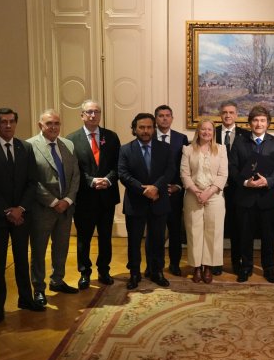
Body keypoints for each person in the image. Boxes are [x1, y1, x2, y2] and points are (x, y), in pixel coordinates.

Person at [0, 108, 42, 323]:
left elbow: (32, 182)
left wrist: (20, 209)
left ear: (16, 123)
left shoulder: (26, 147)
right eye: (3, 122)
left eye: (11, 121)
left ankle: (25, 298)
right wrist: (7, 211)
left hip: (22, 216)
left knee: (22, 259)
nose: (8, 125)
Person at [228, 105, 274, 283]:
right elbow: (232, 168)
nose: (258, 123)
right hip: (245, 198)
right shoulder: (239, 141)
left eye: (262, 120)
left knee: (268, 237)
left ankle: (269, 268)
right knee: (244, 236)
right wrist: (246, 182)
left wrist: (268, 181)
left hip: (267, 198)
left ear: (268, 123)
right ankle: (245, 267)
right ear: (250, 123)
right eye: (255, 120)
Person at [27, 109, 81, 306]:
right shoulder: (30, 146)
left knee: (61, 246)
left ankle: (57, 280)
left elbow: (76, 175)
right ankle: (38, 288)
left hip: (66, 208)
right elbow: (32, 180)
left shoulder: (68, 144)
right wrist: (52, 201)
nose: (53, 127)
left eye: (57, 123)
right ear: (40, 125)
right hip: (42, 209)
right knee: (39, 250)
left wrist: (67, 200)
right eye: (49, 123)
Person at [119, 112, 175, 290]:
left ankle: (156, 271)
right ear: (134, 129)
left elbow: (170, 171)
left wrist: (156, 188)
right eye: (141, 127)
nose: (145, 131)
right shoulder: (126, 149)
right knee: (134, 241)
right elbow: (123, 174)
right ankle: (134, 273)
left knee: (158, 240)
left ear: (154, 128)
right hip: (136, 202)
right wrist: (144, 190)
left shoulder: (165, 148)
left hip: (159, 201)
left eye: (149, 127)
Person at [68, 99, 120, 289]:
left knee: (106, 237)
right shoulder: (71, 140)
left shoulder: (112, 137)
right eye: (89, 112)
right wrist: (90, 181)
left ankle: (104, 270)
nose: (93, 115)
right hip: (84, 198)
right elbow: (73, 170)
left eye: (96, 111)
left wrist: (107, 179)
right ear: (82, 115)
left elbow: (118, 165)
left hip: (107, 197)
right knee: (84, 238)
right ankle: (85, 272)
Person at [181, 119, 228, 282]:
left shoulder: (221, 149)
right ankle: (197, 267)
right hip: (193, 196)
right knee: (194, 232)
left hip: (214, 196)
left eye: (210, 130)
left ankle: (208, 266)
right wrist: (196, 192)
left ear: (213, 133)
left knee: (213, 232)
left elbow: (223, 175)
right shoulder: (188, 149)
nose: (206, 132)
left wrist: (208, 193)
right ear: (198, 131)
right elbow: (185, 175)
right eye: (203, 129)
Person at [215, 101, 250, 275]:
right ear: (220, 115)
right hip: (215, 189)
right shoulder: (211, 133)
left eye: (231, 112)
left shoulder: (246, 135)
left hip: (239, 189)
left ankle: (237, 262)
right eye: (224, 112)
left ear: (237, 115)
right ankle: (214, 263)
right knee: (216, 226)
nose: (228, 115)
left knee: (237, 227)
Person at [154, 105, 189, 276]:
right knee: (156, 233)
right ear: (156, 119)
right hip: (154, 193)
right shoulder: (148, 136)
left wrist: (178, 186)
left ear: (172, 118)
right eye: (161, 116)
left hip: (174, 192)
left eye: (168, 115)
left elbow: (185, 166)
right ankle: (154, 265)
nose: (164, 118)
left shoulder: (181, 138)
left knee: (175, 231)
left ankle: (175, 264)